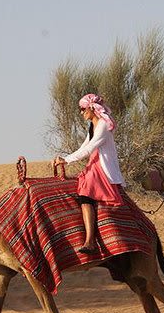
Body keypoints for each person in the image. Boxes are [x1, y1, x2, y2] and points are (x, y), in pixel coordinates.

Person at [52, 93, 125, 254]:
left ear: (92, 108)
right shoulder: (93, 126)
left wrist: (66, 160)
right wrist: (65, 158)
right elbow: (84, 146)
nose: (81, 112)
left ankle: (90, 241)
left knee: (85, 195)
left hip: (102, 166)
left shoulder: (104, 125)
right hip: (93, 163)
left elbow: (90, 148)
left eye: (83, 108)